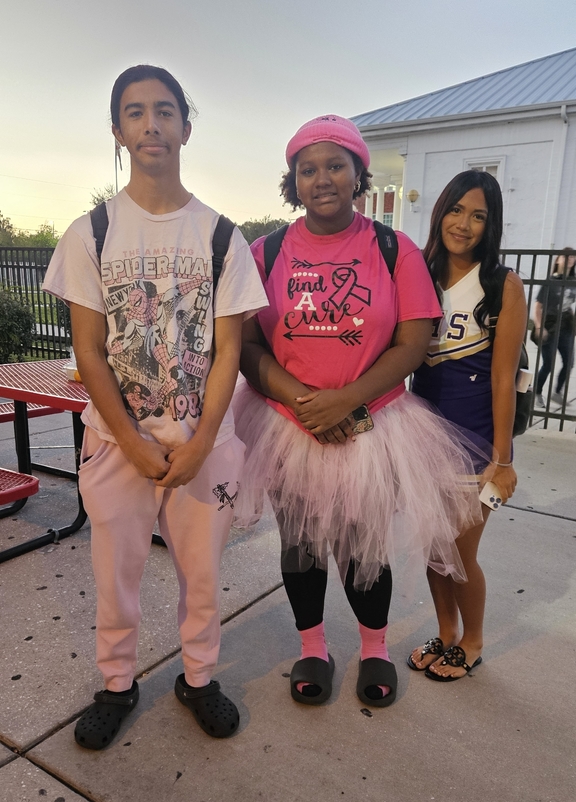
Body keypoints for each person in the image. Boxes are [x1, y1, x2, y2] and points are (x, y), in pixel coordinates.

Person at [43, 65, 267, 748]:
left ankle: (198, 677)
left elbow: (230, 351)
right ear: (118, 130)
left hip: (205, 445)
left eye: (165, 111)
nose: (151, 125)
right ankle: (117, 682)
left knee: (201, 575)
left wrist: (199, 444)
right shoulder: (92, 233)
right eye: (135, 113)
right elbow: (89, 352)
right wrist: (132, 441)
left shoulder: (221, 235)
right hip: (117, 443)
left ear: (186, 128)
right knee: (116, 575)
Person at [233, 115, 483, 709]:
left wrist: (348, 399)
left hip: (372, 423)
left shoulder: (391, 248)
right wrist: (301, 401)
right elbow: (245, 346)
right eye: (307, 168)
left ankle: (374, 648)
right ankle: (312, 649)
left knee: (362, 545)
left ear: (358, 175)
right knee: (299, 544)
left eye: (335, 165)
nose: (322, 179)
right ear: (292, 181)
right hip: (288, 423)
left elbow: (414, 338)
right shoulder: (264, 251)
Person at [409, 170, 527, 680]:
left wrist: (501, 460)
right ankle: (446, 633)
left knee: (461, 550)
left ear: (491, 224)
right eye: (457, 210)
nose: (464, 224)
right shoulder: (417, 270)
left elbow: (504, 380)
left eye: (478, 215)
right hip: (420, 433)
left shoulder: (504, 285)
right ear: (441, 211)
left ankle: (472, 641)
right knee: (434, 548)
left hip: (475, 439)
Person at [533, 248, 576, 408]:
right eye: (566, 256)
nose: (570, 259)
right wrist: (539, 327)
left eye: (572, 256)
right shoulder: (550, 282)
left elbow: (569, 305)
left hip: (566, 328)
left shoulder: (573, 282)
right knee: (548, 364)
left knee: (569, 362)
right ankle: (537, 393)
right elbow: (538, 306)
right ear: (558, 260)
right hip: (549, 326)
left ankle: (557, 392)